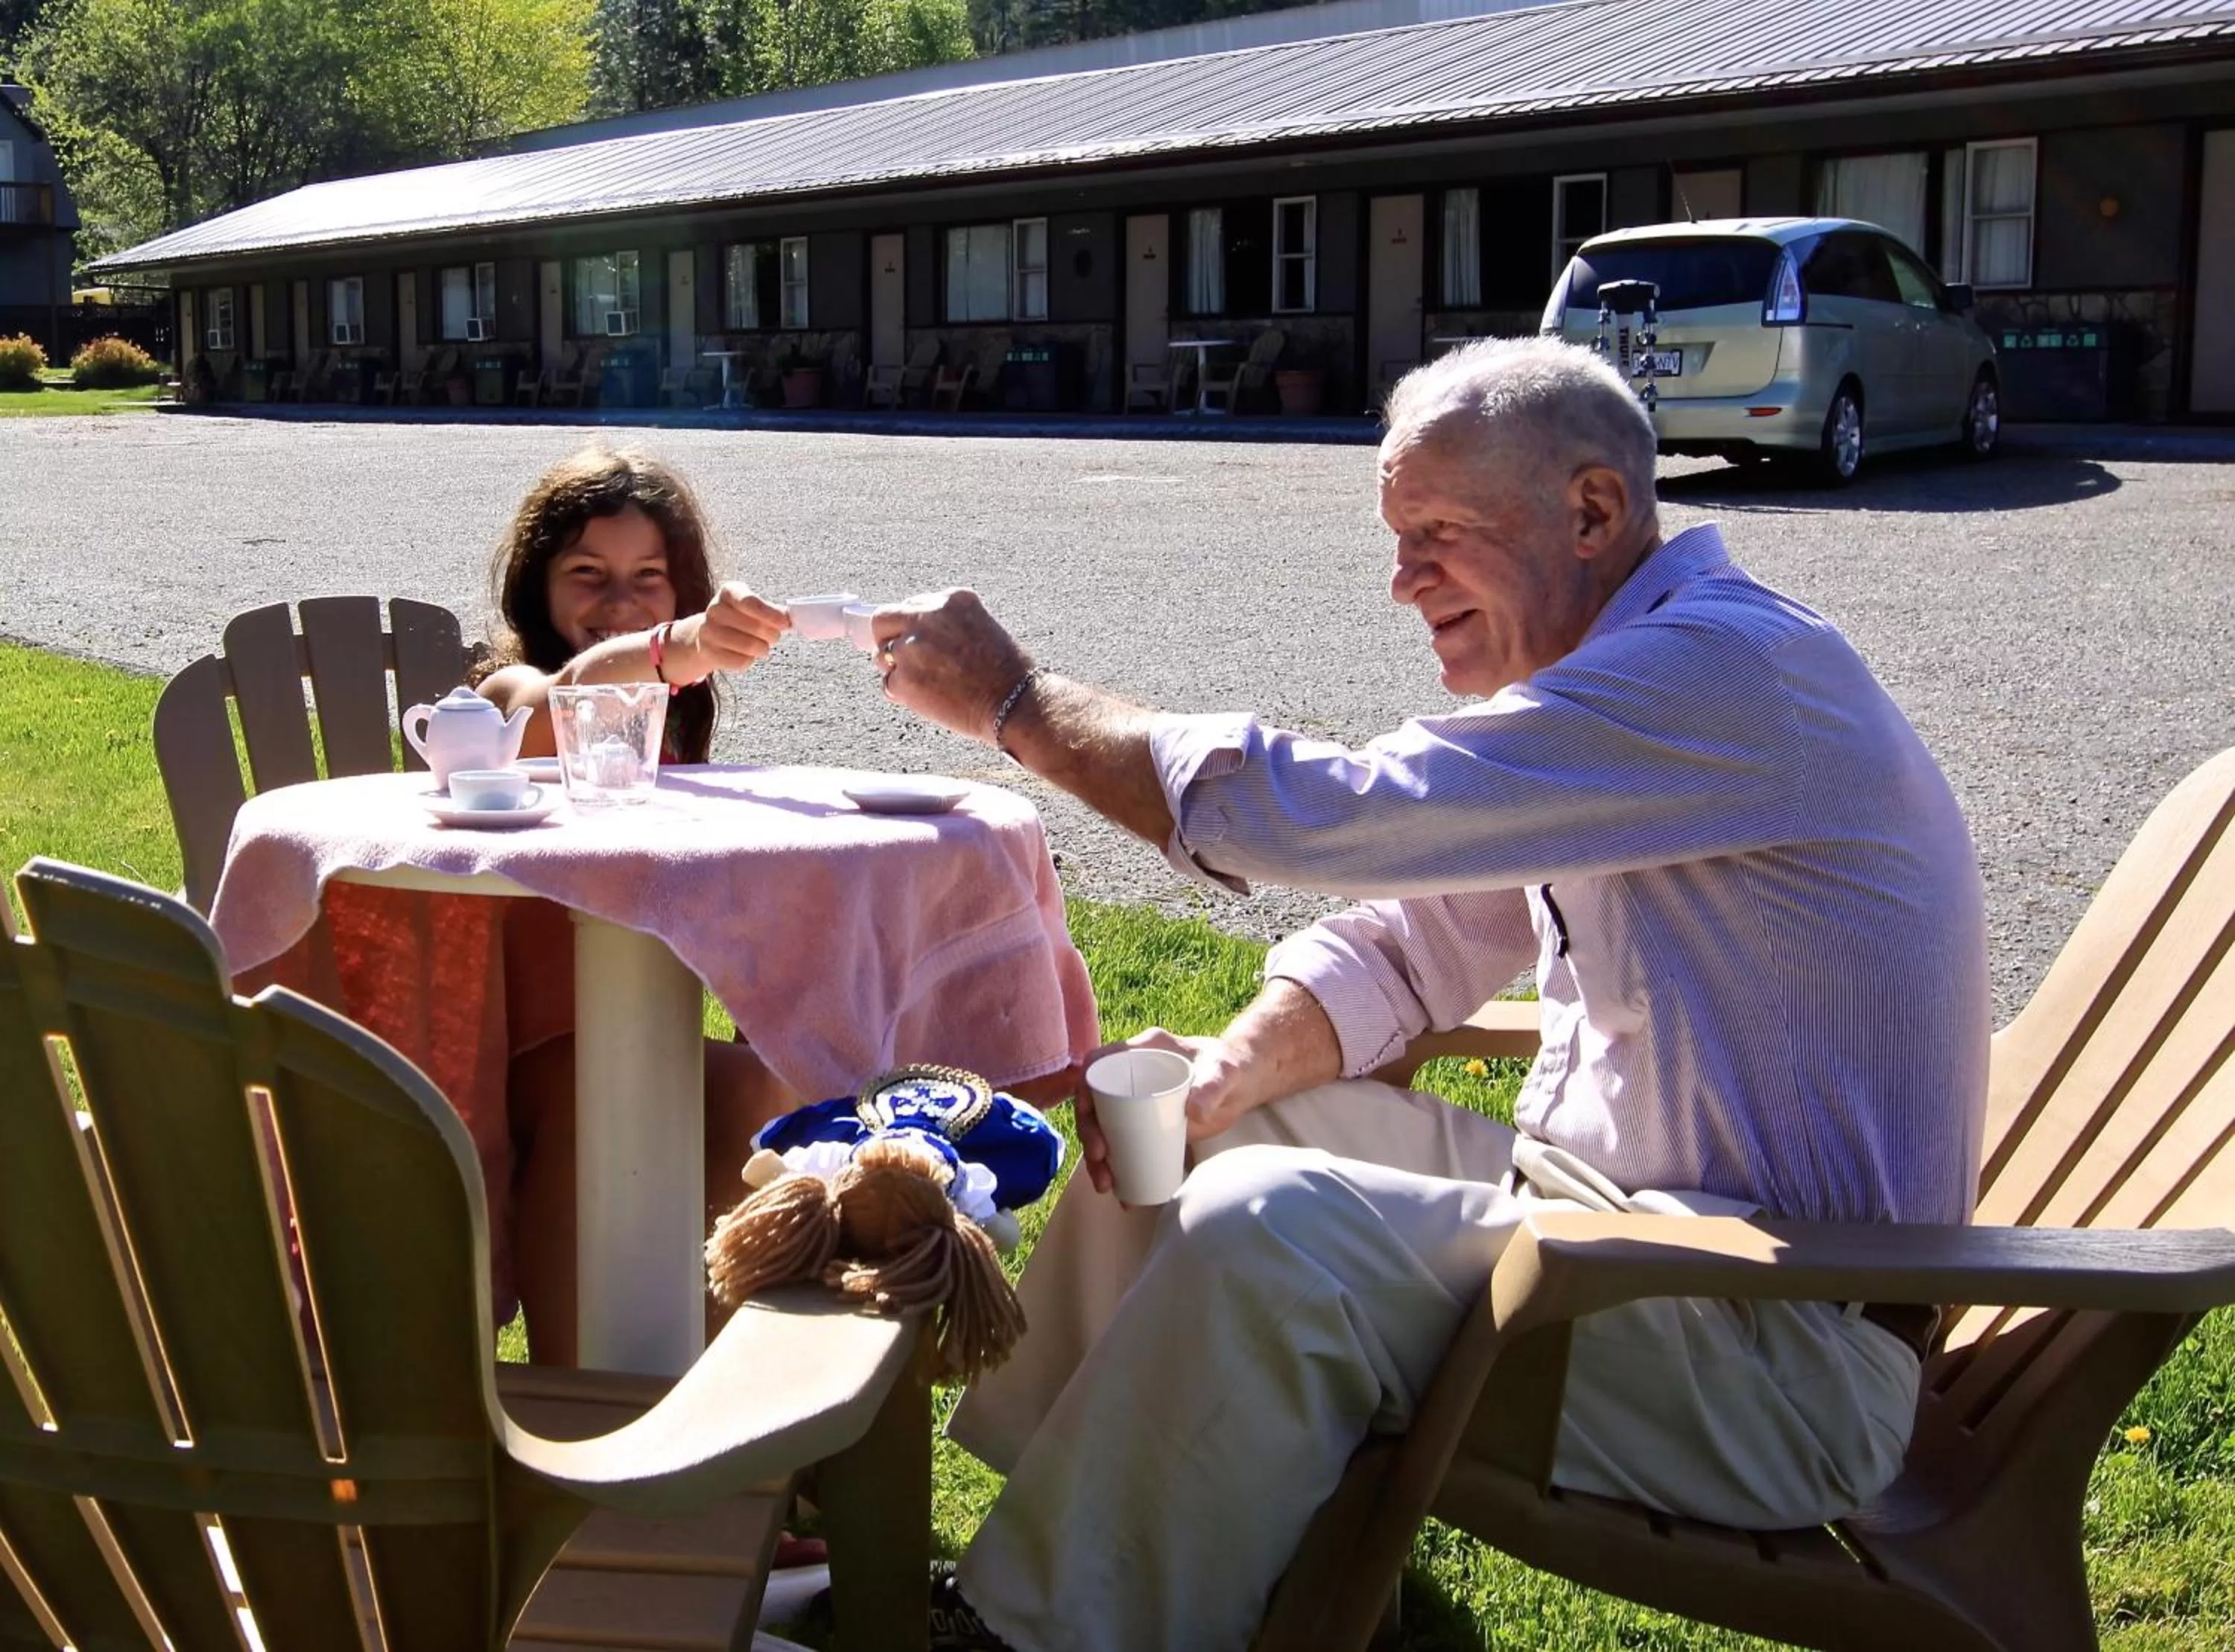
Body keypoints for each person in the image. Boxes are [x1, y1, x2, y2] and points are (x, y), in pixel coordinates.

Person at [865, 337, 1991, 1651]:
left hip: (1777, 1355)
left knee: (1276, 1228)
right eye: (1397, 537)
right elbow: (1420, 943)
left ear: (1592, 512)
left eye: (1439, 531)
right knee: (1209, 1136)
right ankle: (1082, 1542)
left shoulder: (1727, 679)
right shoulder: (1650, 691)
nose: (1403, 582)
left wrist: (1015, 701)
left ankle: (1031, 1632)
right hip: (1638, 1252)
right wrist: (1234, 1070)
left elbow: (1315, 818)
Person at [472, 445, 799, 1363]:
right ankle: (593, 1421)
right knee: (601, 1093)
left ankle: (731, 1410)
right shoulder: (509, 691)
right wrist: (670, 649)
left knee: (773, 1092)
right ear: (537, 587)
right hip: (517, 1053)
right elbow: (553, 711)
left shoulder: (672, 732)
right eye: (587, 574)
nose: (618, 600)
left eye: (648, 578)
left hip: (645, 1023)